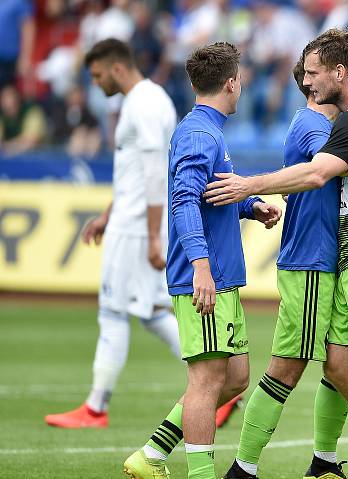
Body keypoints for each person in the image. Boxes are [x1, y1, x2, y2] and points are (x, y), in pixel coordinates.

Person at [205, 28, 348, 479]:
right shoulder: (334, 121)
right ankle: (314, 467)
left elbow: (323, 170)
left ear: (339, 73)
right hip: (334, 258)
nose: (307, 80)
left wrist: (249, 185)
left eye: (315, 72)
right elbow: (335, 167)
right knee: (326, 365)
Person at [122, 41, 283, 479]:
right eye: (242, 79)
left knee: (233, 377)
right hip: (205, 275)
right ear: (232, 83)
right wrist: (200, 268)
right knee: (208, 378)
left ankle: (152, 454)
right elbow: (183, 201)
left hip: (223, 274)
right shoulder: (198, 135)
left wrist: (250, 206)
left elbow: (210, 192)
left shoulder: (209, 131)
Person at [44, 39, 225, 430]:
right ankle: (221, 386)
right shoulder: (150, 100)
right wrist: (108, 214)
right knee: (152, 310)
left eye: (97, 75)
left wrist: (153, 234)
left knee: (112, 311)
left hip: (137, 226)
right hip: (131, 219)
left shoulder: (141, 105)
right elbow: (133, 173)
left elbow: (152, 172)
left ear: (117, 68)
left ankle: (95, 407)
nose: (95, 83)